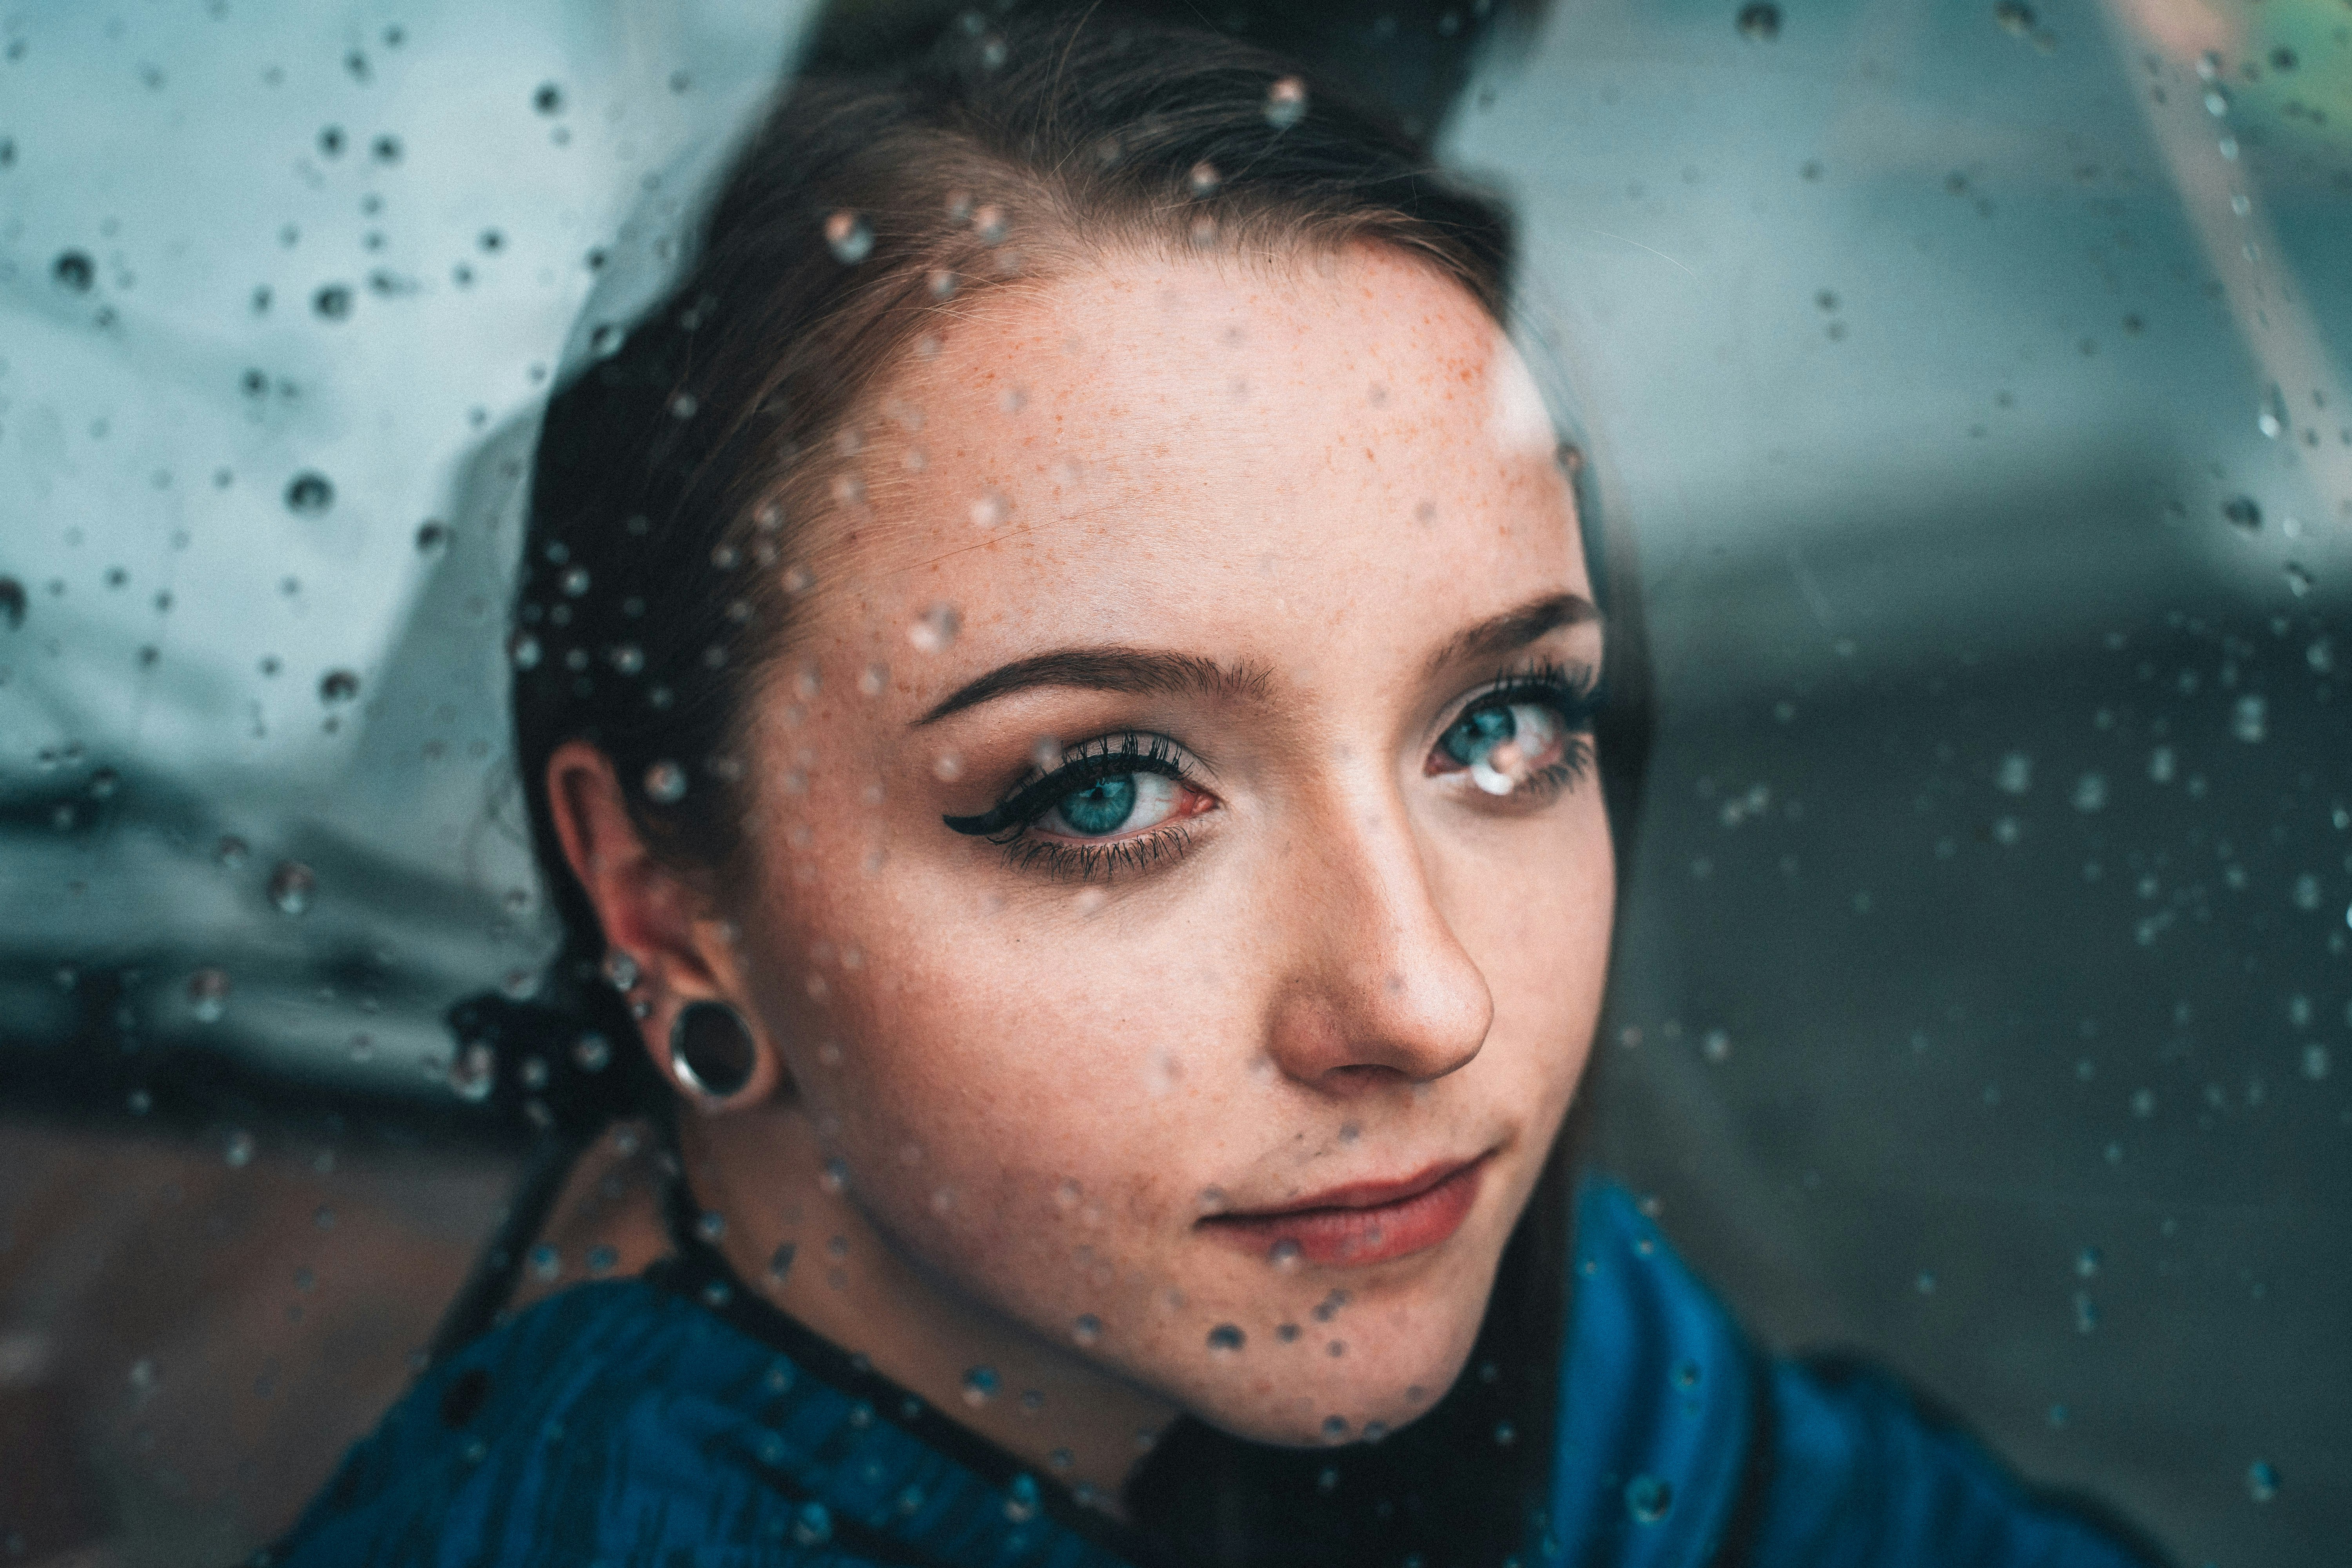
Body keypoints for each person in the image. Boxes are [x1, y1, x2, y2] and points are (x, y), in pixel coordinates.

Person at [272, 9, 2165, 1566]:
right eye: (1102, 795)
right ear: (664, 896)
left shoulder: (1494, 1315)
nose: (1426, 1002)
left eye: (1500, 726)